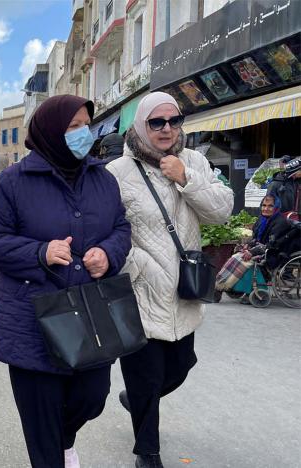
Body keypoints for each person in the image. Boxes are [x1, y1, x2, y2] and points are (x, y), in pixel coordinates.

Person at [0, 95, 132, 468]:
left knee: (93, 396)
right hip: (33, 320)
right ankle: (53, 452)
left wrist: (108, 254)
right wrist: (39, 253)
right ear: (49, 132)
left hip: (91, 314)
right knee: (41, 422)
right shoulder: (14, 182)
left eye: (86, 125)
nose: (84, 133)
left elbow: (122, 228)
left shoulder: (103, 179)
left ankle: (62, 441)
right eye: (73, 126)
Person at [106, 92, 233, 468]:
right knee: (146, 375)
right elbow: (107, 228)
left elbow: (221, 213)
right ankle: (148, 452)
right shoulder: (118, 172)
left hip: (184, 290)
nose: (166, 129)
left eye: (173, 121)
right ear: (141, 125)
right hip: (140, 290)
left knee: (180, 366)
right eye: (156, 122)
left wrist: (186, 178)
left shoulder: (193, 161)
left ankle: (136, 400)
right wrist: (137, 266)